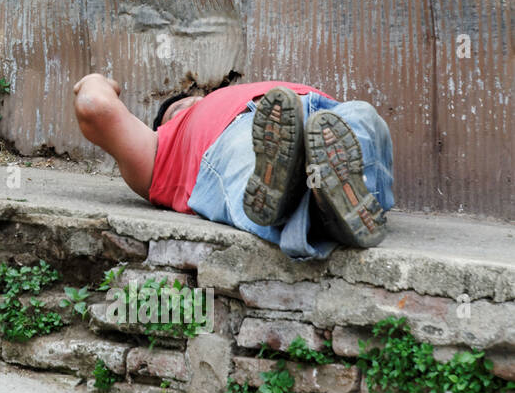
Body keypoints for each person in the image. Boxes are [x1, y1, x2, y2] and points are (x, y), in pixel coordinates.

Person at [71, 74, 394, 260]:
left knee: (362, 115)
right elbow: (95, 106)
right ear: (162, 125)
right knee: (257, 161)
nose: (192, 102)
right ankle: (321, 210)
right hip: (238, 136)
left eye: (193, 99)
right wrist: (98, 79)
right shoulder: (160, 149)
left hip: (325, 118)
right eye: (178, 107)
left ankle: (330, 200)